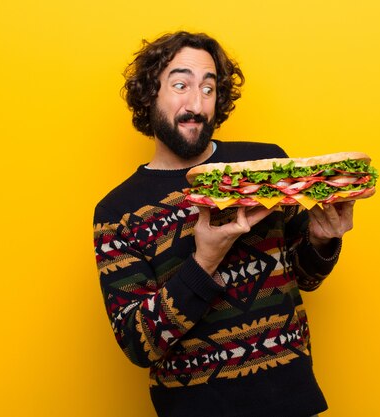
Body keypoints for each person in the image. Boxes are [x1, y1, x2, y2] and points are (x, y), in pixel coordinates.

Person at [93, 31, 355, 417]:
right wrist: (204, 261)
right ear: (150, 94)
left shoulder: (266, 167)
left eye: (208, 88)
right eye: (180, 85)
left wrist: (320, 240)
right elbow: (138, 344)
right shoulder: (117, 212)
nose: (196, 104)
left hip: (290, 399)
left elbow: (303, 278)